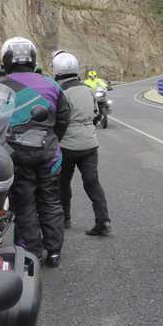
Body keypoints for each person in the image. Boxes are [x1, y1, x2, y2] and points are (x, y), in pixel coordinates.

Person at [0, 36, 70, 267]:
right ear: (33, 59)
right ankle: (55, 251)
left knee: (24, 202)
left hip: (15, 153)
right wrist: (51, 140)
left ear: (6, 59)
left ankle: (30, 254)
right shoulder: (52, 84)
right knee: (50, 200)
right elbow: (63, 119)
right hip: (48, 152)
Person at [51, 51, 112, 237]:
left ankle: (65, 219)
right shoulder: (88, 89)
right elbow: (96, 115)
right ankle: (103, 221)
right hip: (89, 144)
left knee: (63, 183)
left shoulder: (60, 92)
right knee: (92, 183)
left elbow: (58, 118)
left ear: (57, 70)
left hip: (67, 145)